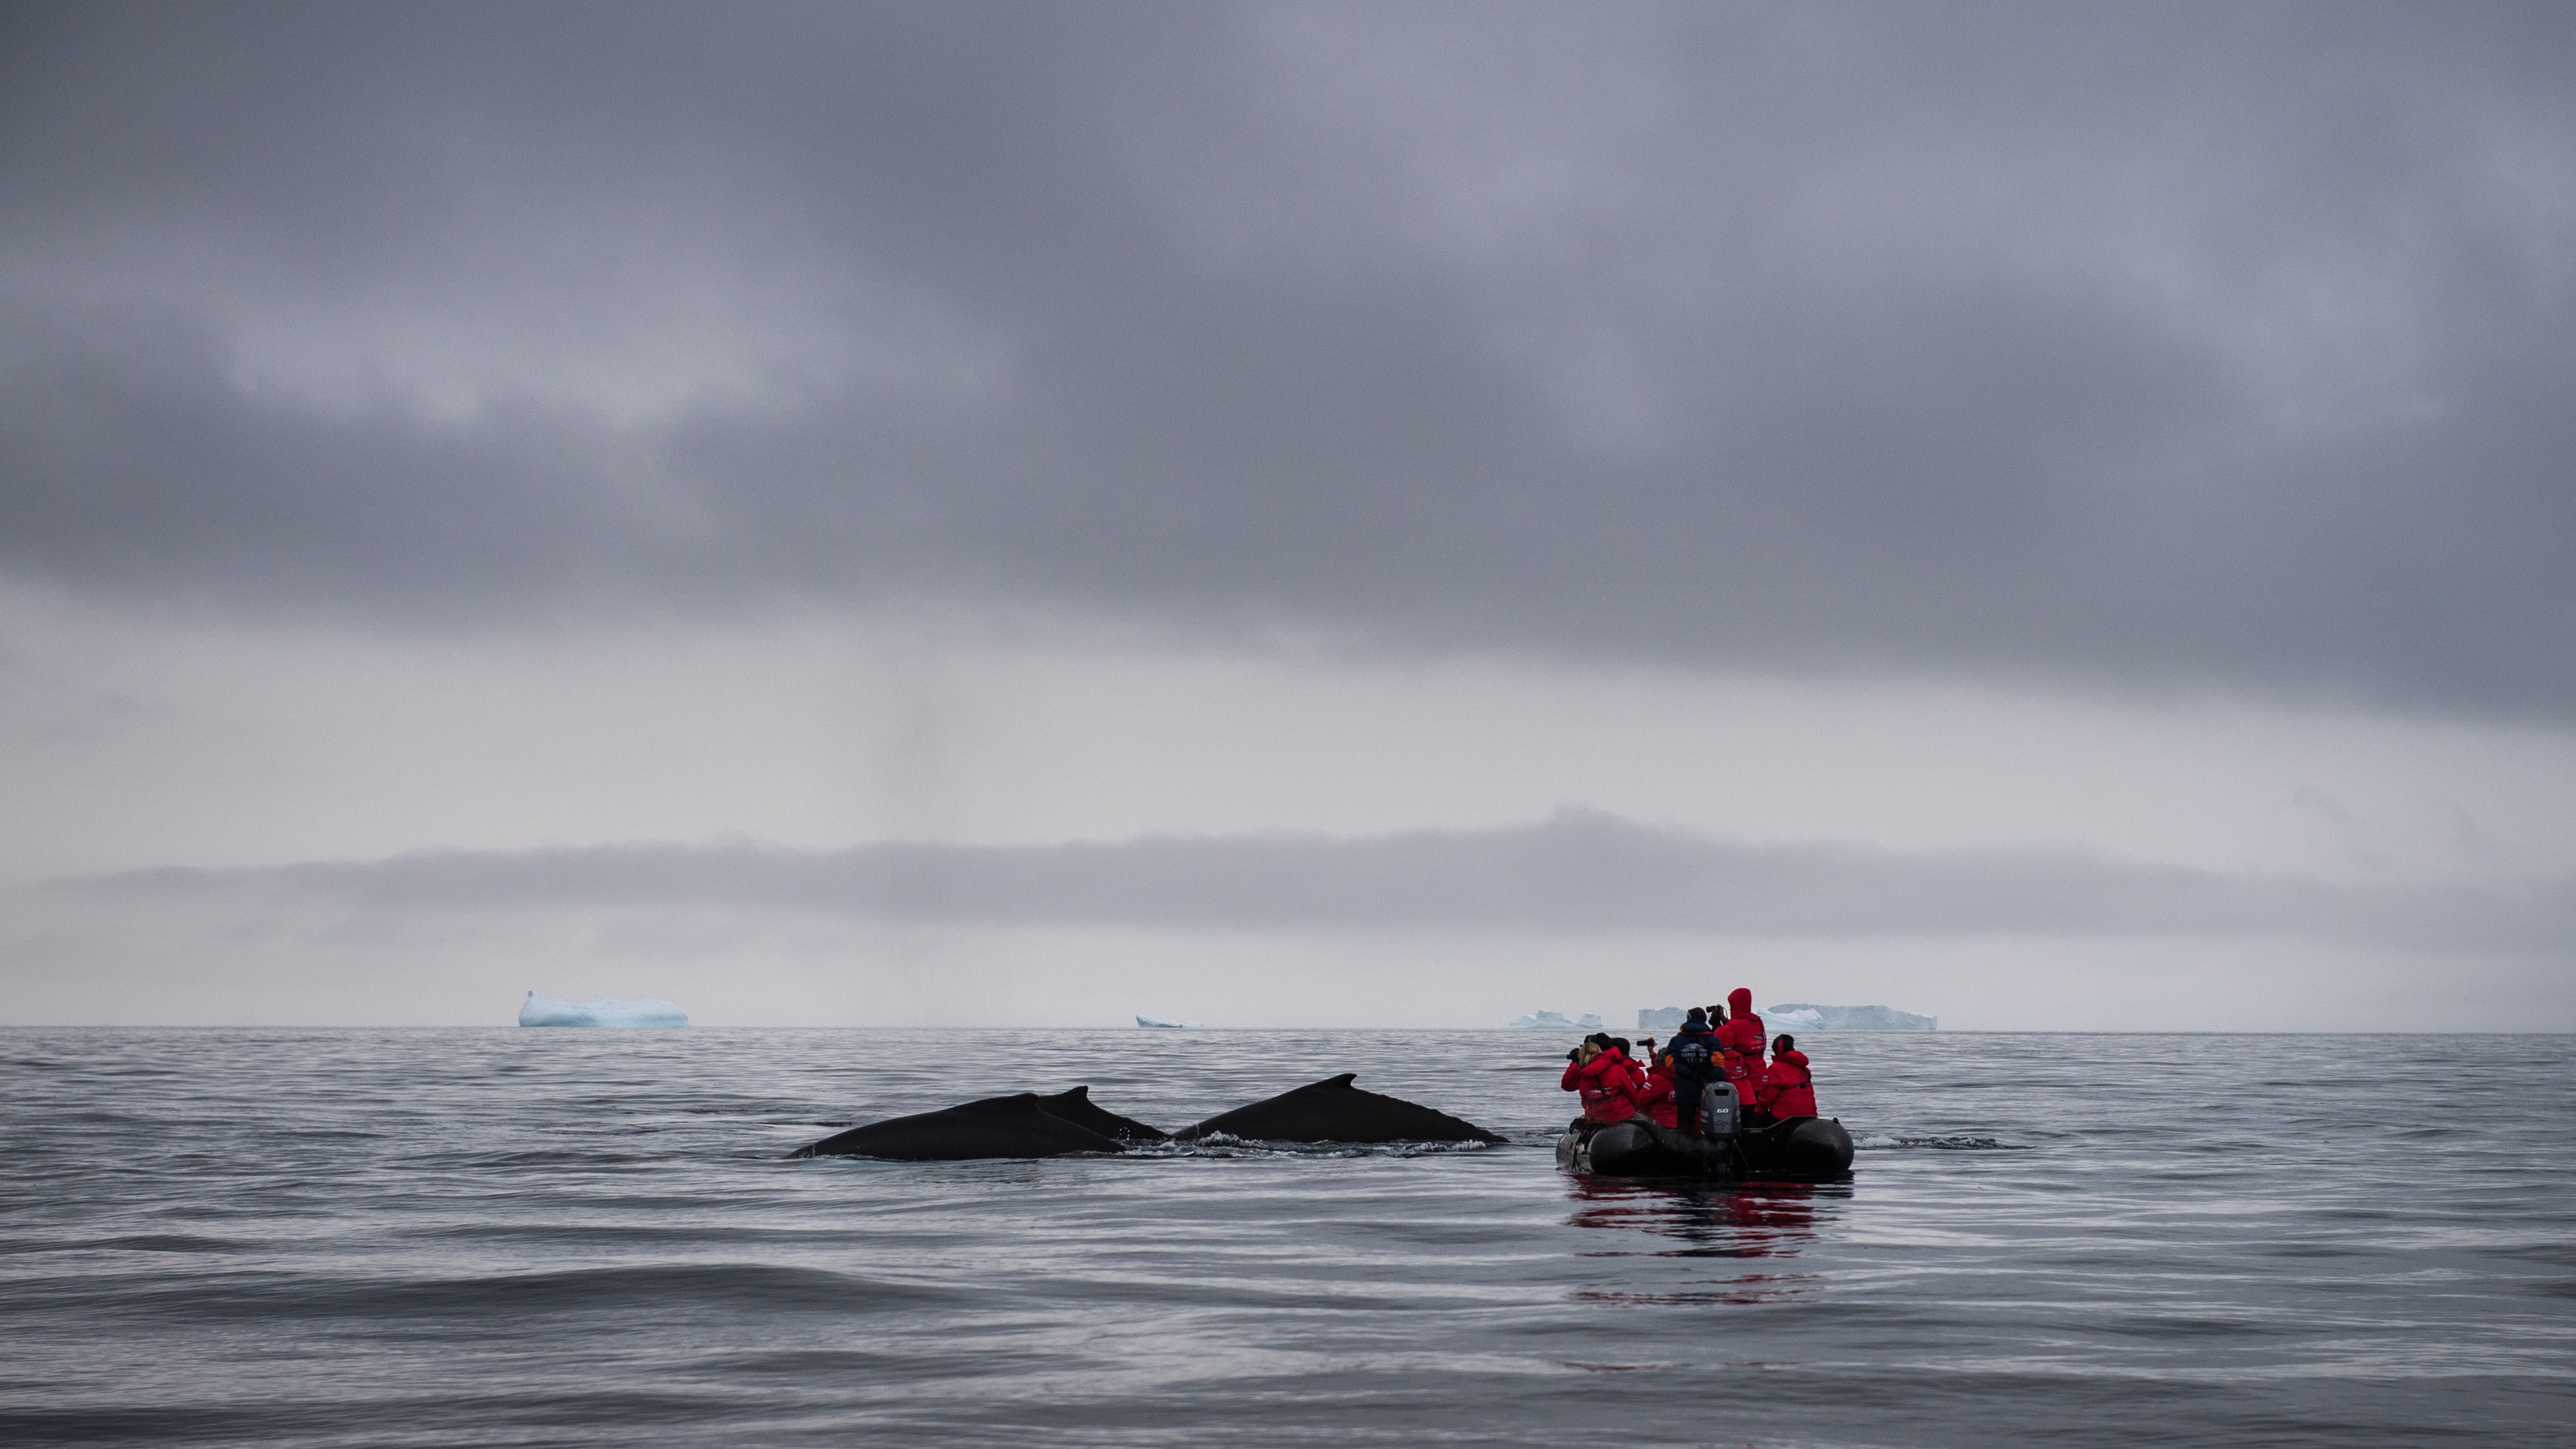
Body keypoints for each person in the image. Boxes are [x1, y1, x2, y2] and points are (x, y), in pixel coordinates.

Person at [1559, 1034, 1638, 1127]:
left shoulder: (1584, 1073)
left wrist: (1576, 1064)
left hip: (1596, 1119)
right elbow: (1632, 1093)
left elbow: (1568, 1086)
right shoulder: (1616, 1068)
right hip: (1621, 1118)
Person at [1665, 1007, 1722, 1134]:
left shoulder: (1676, 1040)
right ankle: (1710, 1150)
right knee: (1710, 1124)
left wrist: (1689, 1073)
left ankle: (1686, 1150)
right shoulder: (1713, 1040)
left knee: (1685, 1128)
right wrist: (1716, 1081)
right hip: (1708, 1089)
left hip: (1685, 1090)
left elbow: (1671, 1064)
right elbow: (1718, 1063)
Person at [1717, 987, 1767, 1117]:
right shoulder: (1757, 1021)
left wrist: (1720, 1025)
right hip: (1760, 1071)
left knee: (1743, 1108)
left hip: (1742, 1073)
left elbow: (1724, 1039)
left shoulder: (1732, 1026)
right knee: (1757, 1107)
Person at [1760, 1034, 1817, 1119]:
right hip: (1806, 1113)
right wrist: (1813, 1116)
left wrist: (1758, 1111)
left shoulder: (1775, 1068)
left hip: (1784, 1115)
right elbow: (1811, 1093)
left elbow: (1768, 1095)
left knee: (1756, 1123)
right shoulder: (1803, 1069)